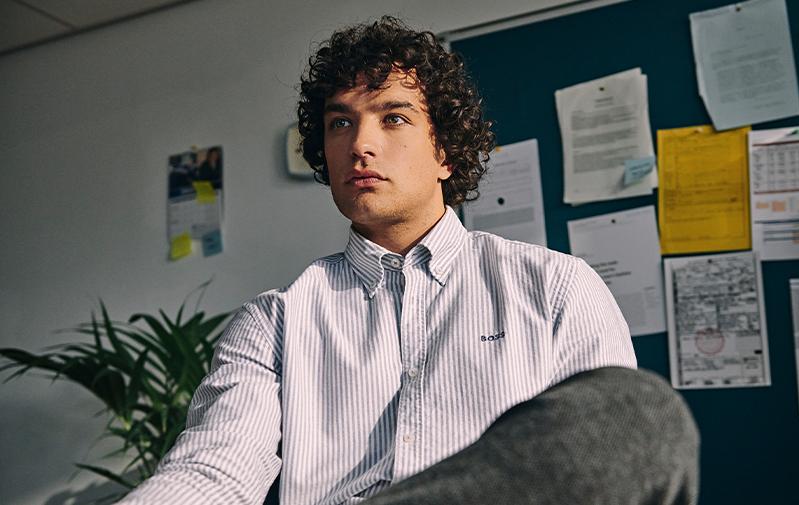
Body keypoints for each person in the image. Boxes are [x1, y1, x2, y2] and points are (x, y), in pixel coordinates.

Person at [120, 16, 698, 505]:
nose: (360, 144)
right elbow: (213, 471)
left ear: (445, 151)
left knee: (638, 413)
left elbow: (607, 461)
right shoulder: (273, 323)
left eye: (393, 118)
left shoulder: (555, 285)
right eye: (340, 123)